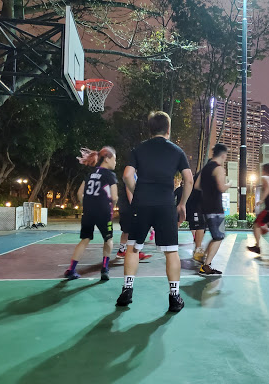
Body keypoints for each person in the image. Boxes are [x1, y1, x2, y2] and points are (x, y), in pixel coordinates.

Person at [116, 111, 193, 313]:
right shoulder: (177, 151)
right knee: (171, 251)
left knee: (133, 247)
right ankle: (174, 297)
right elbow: (189, 179)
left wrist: (137, 192)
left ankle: (127, 290)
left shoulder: (138, 149)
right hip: (166, 205)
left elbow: (126, 175)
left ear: (150, 129)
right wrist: (182, 203)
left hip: (142, 204)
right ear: (168, 129)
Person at [64, 147, 118, 281]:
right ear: (107, 159)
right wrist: (113, 207)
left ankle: (71, 269)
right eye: (115, 159)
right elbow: (115, 196)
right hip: (103, 211)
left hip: (88, 211)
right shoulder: (110, 175)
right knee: (108, 239)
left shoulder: (90, 174)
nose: (115, 163)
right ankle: (105, 268)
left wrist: (86, 205)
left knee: (85, 239)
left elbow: (79, 193)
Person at [196, 144, 231, 276]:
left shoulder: (205, 169)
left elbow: (197, 185)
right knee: (219, 237)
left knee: (216, 236)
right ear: (223, 155)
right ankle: (206, 266)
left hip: (205, 207)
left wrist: (208, 190)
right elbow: (221, 188)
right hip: (216, 209)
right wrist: (229, 184)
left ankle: (204, 257)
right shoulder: (219, 169)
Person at [116, 180, 152, 261]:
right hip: (129, 209)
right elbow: (130, 192)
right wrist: (136, 206)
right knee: (132, 230)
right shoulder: (131, 176)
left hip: (126, 208)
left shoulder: (134, 176)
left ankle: (122, 251)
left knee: (127, 230)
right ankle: (134, 251)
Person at [187, 171, 205, 262]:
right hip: (195, 204)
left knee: (201, 226)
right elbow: (197, 186)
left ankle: (198, 247)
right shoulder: (203, 174)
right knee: (199, 225)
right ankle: (198, 248)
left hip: (201, 205)